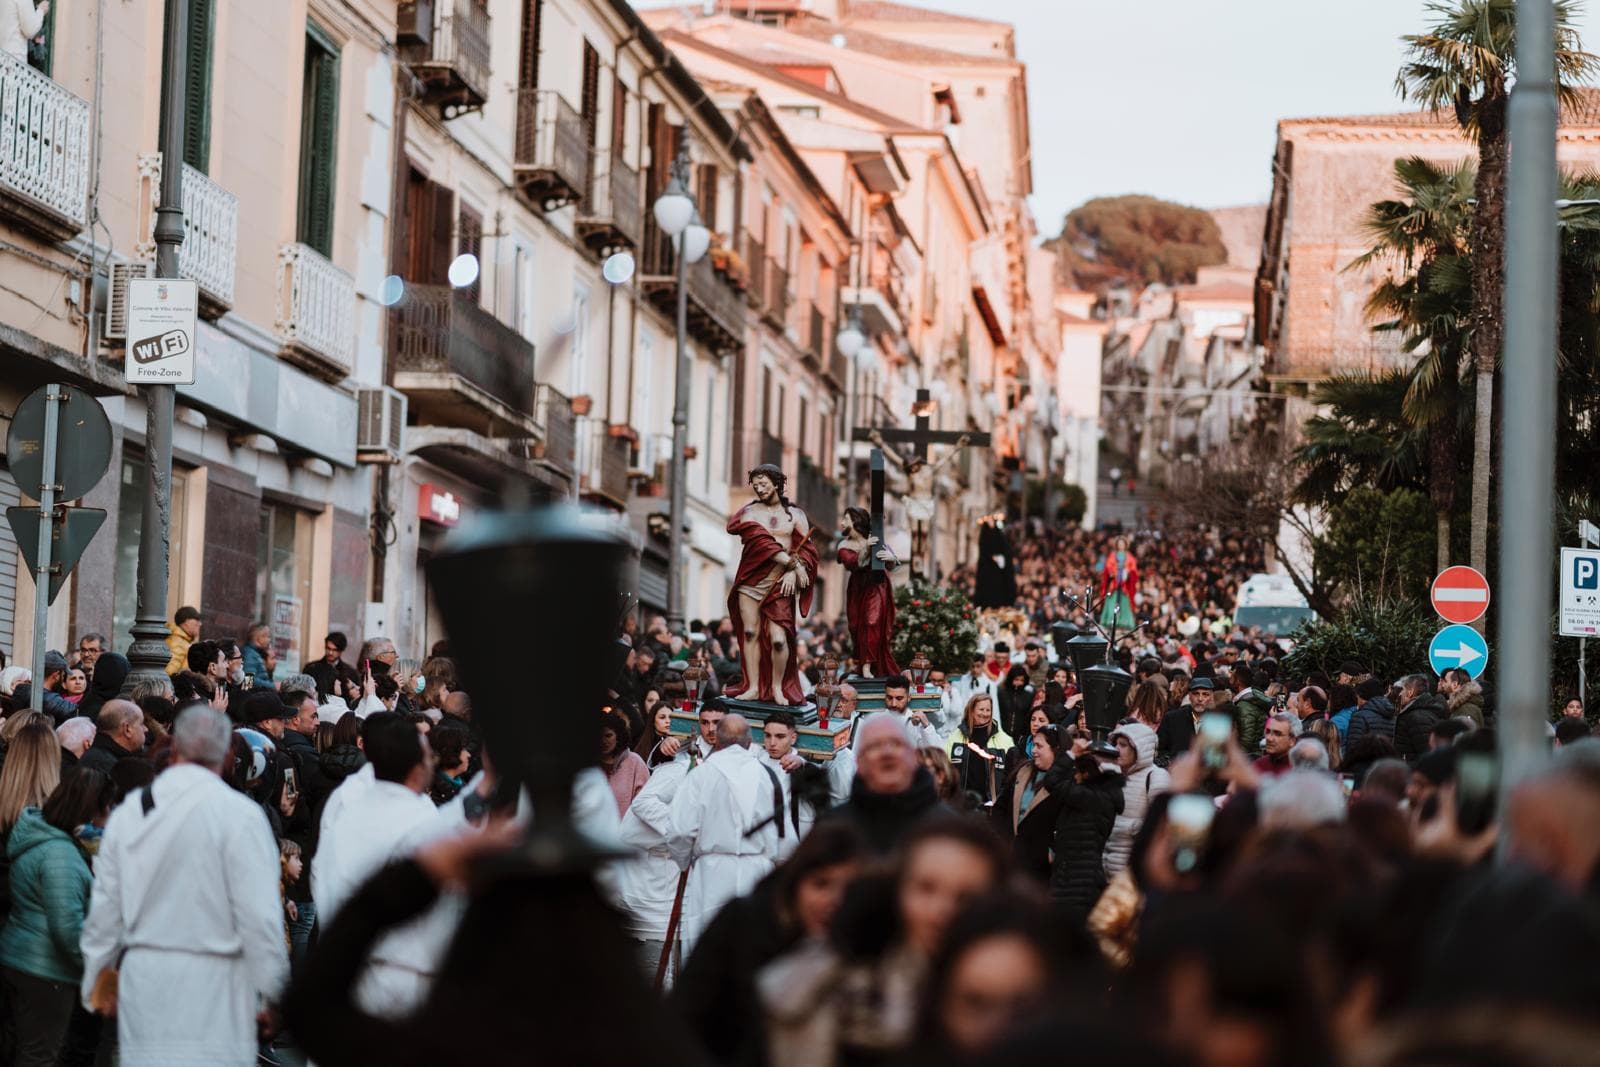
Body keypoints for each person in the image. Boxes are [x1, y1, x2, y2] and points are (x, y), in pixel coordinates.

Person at [79, 705, 289, 1065]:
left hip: (146, 975)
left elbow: (106, 908)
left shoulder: (131, 813)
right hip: (216, 982)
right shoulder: (240, 816)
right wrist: (274, 994)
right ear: (227, 755)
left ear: (175, 749)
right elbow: (260, 917)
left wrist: (97, 979)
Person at [757, 818, 1008, 1067]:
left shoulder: (1018, 997)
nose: (942, 910)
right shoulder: (847, 989)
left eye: (965, 897)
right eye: (926, 889)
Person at [671, 822, 865, 1067]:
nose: (834, 901)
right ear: (797, 882)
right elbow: (686, 1014)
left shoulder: (861, 949)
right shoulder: (744, 923)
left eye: (848, 890)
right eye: (820, 884)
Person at [311, 711, 438, 1017]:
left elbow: (320, 873)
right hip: (397, 972)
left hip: (344, 959)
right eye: (428, 757)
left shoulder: (348, 805)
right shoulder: (421, 820)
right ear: (416, 767)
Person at [0, 768, 107, 1067]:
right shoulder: (61, 857)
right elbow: (67, 929)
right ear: (89, 812)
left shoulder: (42, 839)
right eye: (105, 812)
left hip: (22, 956)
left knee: (22, 1050)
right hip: (46, 971)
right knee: (40, 1055)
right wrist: (95, 964)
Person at [667, 715, 784, 957]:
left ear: (717, 740)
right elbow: (784, 837)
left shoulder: (701, 776)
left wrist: (683, 860)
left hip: (712, 874)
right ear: (749, 741)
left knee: (709, 951)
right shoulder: (768, 776)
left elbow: (680, 830)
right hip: (757, 872)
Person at [724, 465, 821, 707]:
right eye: (756, 485)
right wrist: (792, 564)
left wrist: (795, 570)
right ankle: (754, 686)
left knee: (779, 639)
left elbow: (808, 550)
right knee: (750, 632)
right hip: (752, 579)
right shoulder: (749, 513)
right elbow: (760, 542)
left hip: (781, 582)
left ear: (777, 483)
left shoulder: (796, 515)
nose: (759, 488)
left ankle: (778, 687)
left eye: (764, 483)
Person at [825, 713, 944, 853]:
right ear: (859, 761)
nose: (886, 753)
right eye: (874, 746)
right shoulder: (834, 829)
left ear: (913, 755)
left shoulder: (945, 826)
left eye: (896, 743)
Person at [1048, 751, 1124, 922]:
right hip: (1078, 875)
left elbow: (1052, 781)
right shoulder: (1101, 796)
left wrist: (1069, 753)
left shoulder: (1090, 797)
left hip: (1076, 879)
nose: (1074, 777)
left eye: (1077, 772)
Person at [991, 722, 1065, 882]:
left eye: (1039, 746)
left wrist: (1051, 853)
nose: (1033, 751)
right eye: (1033, 745)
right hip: (1010, 860)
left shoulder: (1067, 782)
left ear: (1056, 748)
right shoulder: (1022, 772)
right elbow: (1000, 808)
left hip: (1041, 872)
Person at [836, 506, 900, 678]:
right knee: (856, 626)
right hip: (858, 589)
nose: (842, 523)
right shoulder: (844, 545)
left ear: (856, 522)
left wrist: (891, 559)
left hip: (876, 585)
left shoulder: (875, 540)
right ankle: (862, 662)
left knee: (871, 622)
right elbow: (852, 563)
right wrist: (866, 548)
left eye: (846, 519)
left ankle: (868, 665)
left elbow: (892, 561)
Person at [1103, 721, 1169, 880]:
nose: (1117, 749)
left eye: (1123, 745)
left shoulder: (1156, 776)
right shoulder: (1110, 775)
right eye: (1116, 744)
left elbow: (1163, 824)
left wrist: (1131, 827)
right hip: (1103, 872)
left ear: (1139, 748)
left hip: (1133, 875)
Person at [943, 693, 1013, 806]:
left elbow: (1011, 774)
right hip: (961, 803)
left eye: (988, 710)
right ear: (971, 710)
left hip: (990, 805)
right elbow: (945, 767)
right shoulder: (956, 736)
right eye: (981, 709)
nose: (985, 713)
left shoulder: (1004, 739)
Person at [599, 711, 649, 817]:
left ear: (618, 737)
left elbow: (645, 804)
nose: (603, 741)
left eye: (608, 736)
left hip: (626, 831)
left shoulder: (635, 762)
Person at [78, 700, 147, 777]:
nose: (146, 729)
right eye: (141, 724)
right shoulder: (104, 767)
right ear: (127, 729)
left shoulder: (110, 760)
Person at [11, 652, 76, 726]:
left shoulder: (23, 692)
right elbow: (76, 711)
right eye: (63, 675)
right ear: (56, 675)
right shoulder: (46, 698)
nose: (62, 681)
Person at [1157, 675, 1213, 759]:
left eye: (1205, 694)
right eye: (1196, 694)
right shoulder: (1172, 718)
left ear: (1211, 697)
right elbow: (1160, 748)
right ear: (1189, 696)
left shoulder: (1218, 721)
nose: (1200, 699)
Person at [1393, 674, 1445, 761]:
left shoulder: (1417, 717)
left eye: (1402, 690)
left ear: (1410, 692)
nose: (1400, 694)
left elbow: (1427, 753)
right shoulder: (1419, 712)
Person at [301, 633, 360, 706]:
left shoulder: (350, 673)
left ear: (341, 651)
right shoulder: (311, 669)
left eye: (334, 650)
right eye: (328, 648)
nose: (330, 653)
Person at [995, 664, 1035, 742]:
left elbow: (1027, 716)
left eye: (1022, 680)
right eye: (1016, 679)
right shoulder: (1001, 693)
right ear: (1011, 679)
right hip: (1001, 732)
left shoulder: (1028, 696)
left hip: (1019, 735)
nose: (1019, 683)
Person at [1252, 711, 1299, 777]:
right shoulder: (1258, 765)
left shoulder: (1301, 770)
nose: (1269, 738)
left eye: (1277, 734)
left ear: (1292, 740)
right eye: (1268, 732)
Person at [164, 607, 201, 676]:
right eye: (197, 619)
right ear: (187, 622)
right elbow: (169, 672)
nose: (199, 623)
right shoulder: (178, 642)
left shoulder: (181, 639)